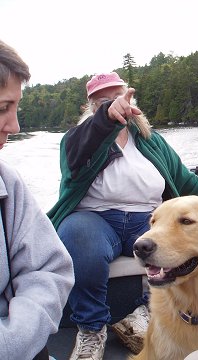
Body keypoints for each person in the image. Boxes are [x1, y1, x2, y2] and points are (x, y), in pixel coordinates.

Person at [47, 72, 198, 359]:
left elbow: (185, 182)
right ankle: (91, 330)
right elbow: (76, 156)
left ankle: (148, 311)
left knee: (184, 241)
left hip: (148, 220)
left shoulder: (151, 141)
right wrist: (105, 121)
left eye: (117, 96)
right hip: (95, 219)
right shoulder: (79, 139)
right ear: (91, 109)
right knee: (76, 236)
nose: (113, 103)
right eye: (102, 102)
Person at [0, 40, 74, 360]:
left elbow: (48, 270)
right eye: (3, 108)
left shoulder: (7, 183)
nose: (15, 126)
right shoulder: (82, 138)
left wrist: (16, 339)